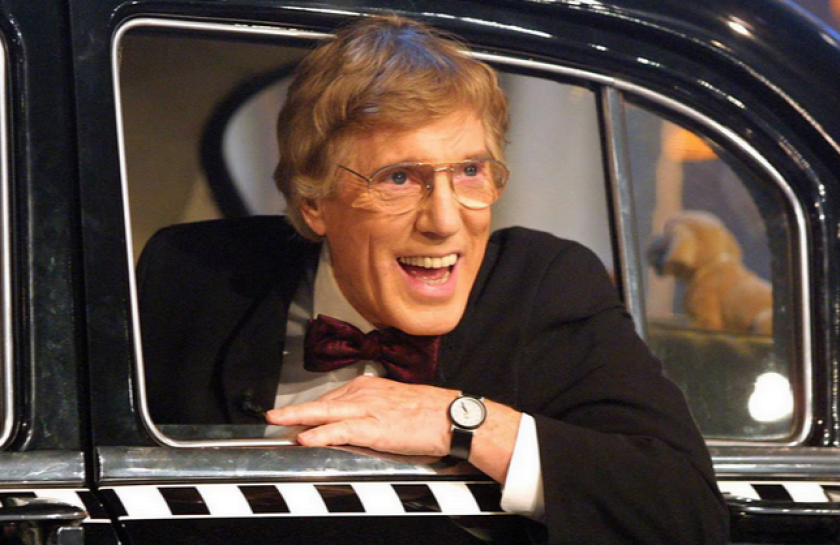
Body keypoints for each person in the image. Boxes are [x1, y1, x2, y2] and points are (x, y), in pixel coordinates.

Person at [138, 15, 728, 544]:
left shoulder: (546, 286)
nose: (445, 221)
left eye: (470, 170)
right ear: (314, 203)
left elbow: (688, 514)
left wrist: (464, 423)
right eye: (399, 178)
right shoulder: (196, 275)